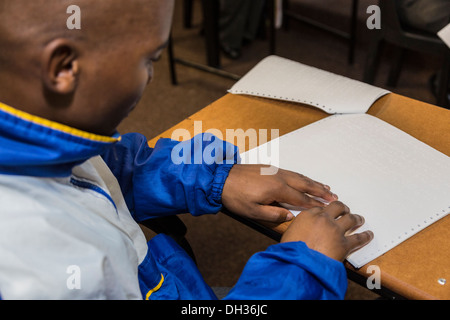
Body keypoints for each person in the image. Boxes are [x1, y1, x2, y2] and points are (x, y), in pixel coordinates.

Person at [0, 0, 373, 300]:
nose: (150, 78)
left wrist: (216, 177)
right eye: (148, 60)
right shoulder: (39, 273)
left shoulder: (34, 130)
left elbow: (111, 168)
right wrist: (301, 271)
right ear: (64, 67)